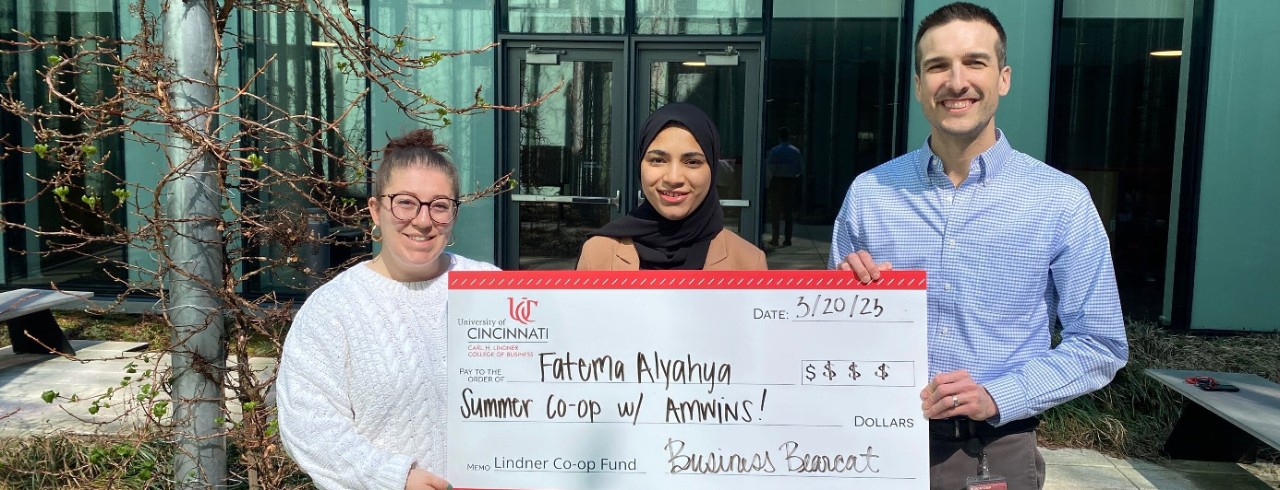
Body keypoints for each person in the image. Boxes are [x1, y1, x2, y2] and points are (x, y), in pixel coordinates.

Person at [828, 3, 1128, 489]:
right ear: (919, 85)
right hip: (875, 441)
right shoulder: (870, 194)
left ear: (1003, 78)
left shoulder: (1061, 201)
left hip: (995, 448)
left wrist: (999, 396)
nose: (955, 80)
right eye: (937, 66)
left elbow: (1100, 343)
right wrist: (840, 301)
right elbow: (832, 335)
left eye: (974, 62)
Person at [276, 129, 497, 490]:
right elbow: (309, 425)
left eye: (440, 205)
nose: (423, 220)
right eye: (405, 202)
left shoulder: (490, 288)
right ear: (376, 211)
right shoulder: (333, 310)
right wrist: (393, 477)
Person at [577, 102, 766, 270]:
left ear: (713, 170)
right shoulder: (598, 254)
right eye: (658, 160)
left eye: (692, 162)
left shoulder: (748, 262)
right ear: (640, 165)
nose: (674, 178)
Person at [766, 127, 802, 247]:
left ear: (779, 137)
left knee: (775, 211)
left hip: (778, 181)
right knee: (788, 212)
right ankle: (788, 239)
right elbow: (799, 168)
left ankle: (775, 238)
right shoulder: (795, 151)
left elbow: (770, 166)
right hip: (791, 181)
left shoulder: (775, 151)